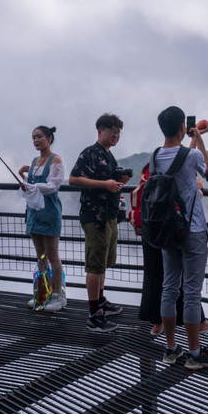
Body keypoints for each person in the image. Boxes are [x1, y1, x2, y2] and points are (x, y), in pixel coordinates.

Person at [152, 106, 208, 370]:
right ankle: (194, 353)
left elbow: (179, 158)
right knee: (192, 292)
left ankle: (170, 349)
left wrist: (191, 139)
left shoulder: (156, 155)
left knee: (169, 287)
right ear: (182, 126)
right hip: (191, 229)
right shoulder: (192, 154)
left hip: (167, 230)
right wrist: (200, 139)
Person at [137, 165, 208, 335]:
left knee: (155, 276)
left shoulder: (151, 166)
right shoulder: (180, 168)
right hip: (171, 229)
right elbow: (186, 197)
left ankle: (159, 326)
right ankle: (196, 329)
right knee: (184, 282)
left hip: (150, 226)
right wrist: (196, 187)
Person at [69, 113, 130, 332]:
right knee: (95, 265)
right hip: (95, 217)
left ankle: (101, 300)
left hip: (110, 216)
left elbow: (109, 182)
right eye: (111, 130)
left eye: (118, 131)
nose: (116, 135)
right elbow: (74, 179)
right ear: (99, 131)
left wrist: (119, 181)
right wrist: (105, 185)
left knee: (103, 262)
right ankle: (94, 314)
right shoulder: (90, 153)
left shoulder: (108, 155)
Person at [19, 125, 66, 312]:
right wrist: (26, 182)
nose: (36, 140)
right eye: (33, 137)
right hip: (34, 212)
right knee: (41, 256)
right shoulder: (34, 160)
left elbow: (53, 186)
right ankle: (43, 293)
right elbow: (33, 184)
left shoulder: (56, 160)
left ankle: (58, 296)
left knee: (52, 255)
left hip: (49, 212)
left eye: (39, 137)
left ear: (49, 138)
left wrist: (32, 186)